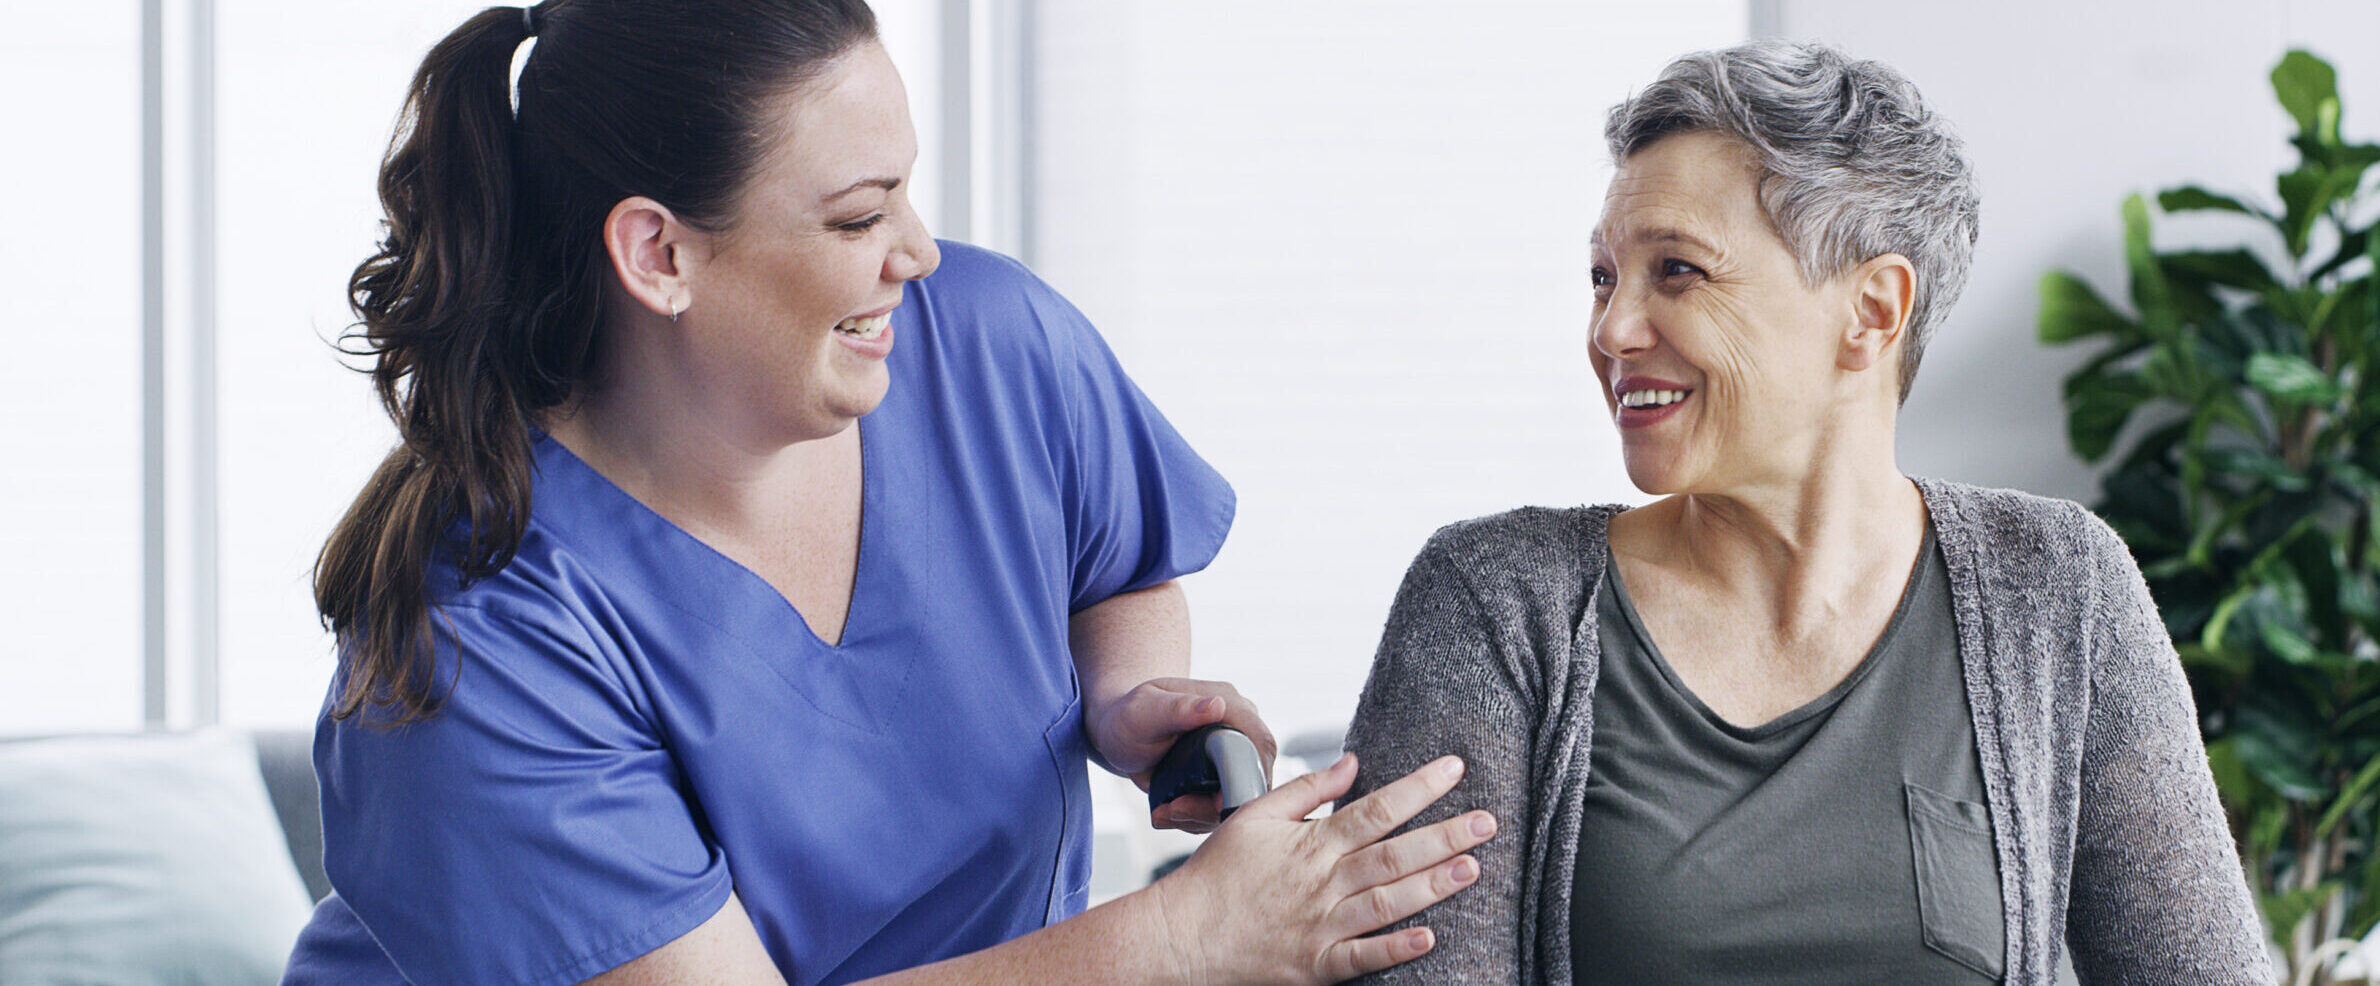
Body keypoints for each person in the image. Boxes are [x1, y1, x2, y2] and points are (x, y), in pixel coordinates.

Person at [279, 3, 1496, 984]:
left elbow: (1115, 559)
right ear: (659, 255)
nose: (916, 250)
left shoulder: (987, 340)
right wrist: (1180, 941)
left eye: (904, 190)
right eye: (859, 215)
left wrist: (1118, 691)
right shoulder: (475, 648)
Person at [1338, 40, 2271, 986]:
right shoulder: (1494, 606)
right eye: (1604, 276)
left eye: (1679, 271)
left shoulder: (2060, 589)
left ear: (1871, 311)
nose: (1612, 329)